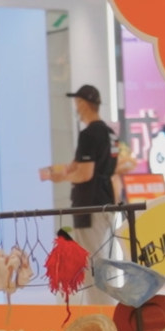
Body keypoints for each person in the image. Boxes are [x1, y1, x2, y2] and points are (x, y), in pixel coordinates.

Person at [40, 85, 118, 302]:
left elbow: (85, 174)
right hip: (106, 201)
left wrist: (62, 177)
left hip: (89, 205)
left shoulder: (89, 134)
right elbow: (80, 165)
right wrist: (61, 171)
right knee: (97, 257)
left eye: (76, 103)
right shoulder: (110, 134)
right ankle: (103, 308)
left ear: (83, 104)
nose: (75, 107)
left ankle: (103, 311)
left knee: (91, 260)